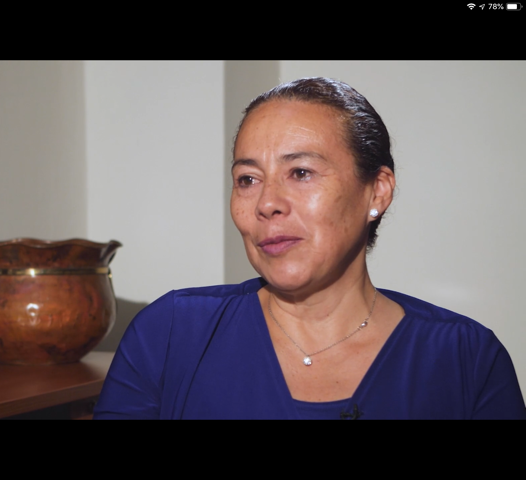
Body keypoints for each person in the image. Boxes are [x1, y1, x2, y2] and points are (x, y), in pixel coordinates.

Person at [93, 77, 526, 419]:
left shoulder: (465, 359)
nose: (267, 203)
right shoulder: (169, 335)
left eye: (300, 172)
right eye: (248, 179)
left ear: (377, 191)